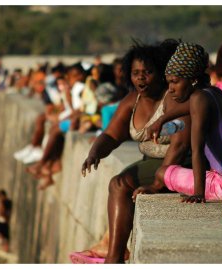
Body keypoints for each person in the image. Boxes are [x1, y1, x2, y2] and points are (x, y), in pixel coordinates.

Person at [75, 39, 191, 264]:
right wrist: (94, 153)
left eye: (147, 72)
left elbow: (180, 145)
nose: (140, 78)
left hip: (180, 163)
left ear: (161, 73)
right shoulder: (132, 101)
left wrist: (158, 183)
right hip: (150, 162)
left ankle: (114, 257)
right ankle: (114, 251)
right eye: (135, 72)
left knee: (119, 183)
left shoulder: (173, 97)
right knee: (121, 182)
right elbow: (111, 135)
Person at [133, 42, 222, 203]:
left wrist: (198, 193)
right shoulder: (214, 93)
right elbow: (190, 107)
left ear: (193, 80)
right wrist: (162, 120)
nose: (170, 88)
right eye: (168, 82)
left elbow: (197, 150)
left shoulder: (198, 98)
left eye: (175, 81)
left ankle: (197, 188)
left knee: (162, 172)